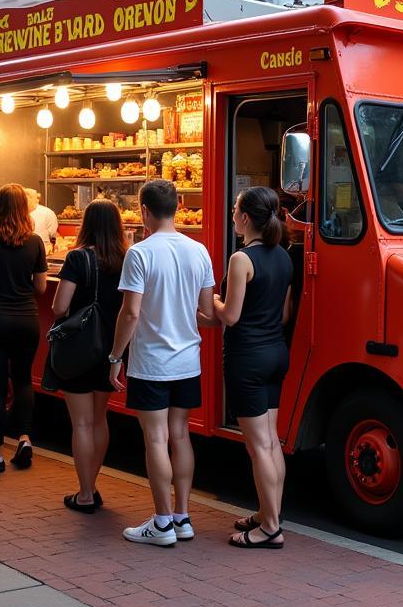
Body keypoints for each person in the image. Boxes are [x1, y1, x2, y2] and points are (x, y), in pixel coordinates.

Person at [109, 180, 215, 546]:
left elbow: (131, 313)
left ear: (144, 211)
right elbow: (206, 311)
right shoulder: (199, 250)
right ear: (178, 205)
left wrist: (115, 356)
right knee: (181, 435)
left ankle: (162, 522)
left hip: (151, 362)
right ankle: (183, 517)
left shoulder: (140, 253)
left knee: (155, 438)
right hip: (188, 359)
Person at [212, 187, 292, 549]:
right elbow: (285, 314)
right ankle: (267, 512)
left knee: (258, 445)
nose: (232, 214)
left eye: (234, 209)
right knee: (271, 442)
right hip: (276, 352)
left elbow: (231, 315)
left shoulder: (241, 259)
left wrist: (212, 299)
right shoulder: (285, 258)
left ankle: (270, 528)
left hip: (247, 357)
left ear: (245, 218)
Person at [43, 199, 125, 512]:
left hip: (79, 348)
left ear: (86, 223)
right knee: (100, 418)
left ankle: (86, 493)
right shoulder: (126, 257)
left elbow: (60, 307)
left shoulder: (78, 258)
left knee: (81, 423)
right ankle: (93, 483)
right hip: (110, 350)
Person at [0, 183, 47, 472]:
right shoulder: (35, 241)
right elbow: (40, 287)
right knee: (24, 380)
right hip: (26, 319)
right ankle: (25, 438)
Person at [25, 188, 59, 254]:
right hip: (35, 250)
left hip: (44, 250)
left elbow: (53, 235)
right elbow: (53, 234)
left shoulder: (47, 213)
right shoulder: (16, 213)